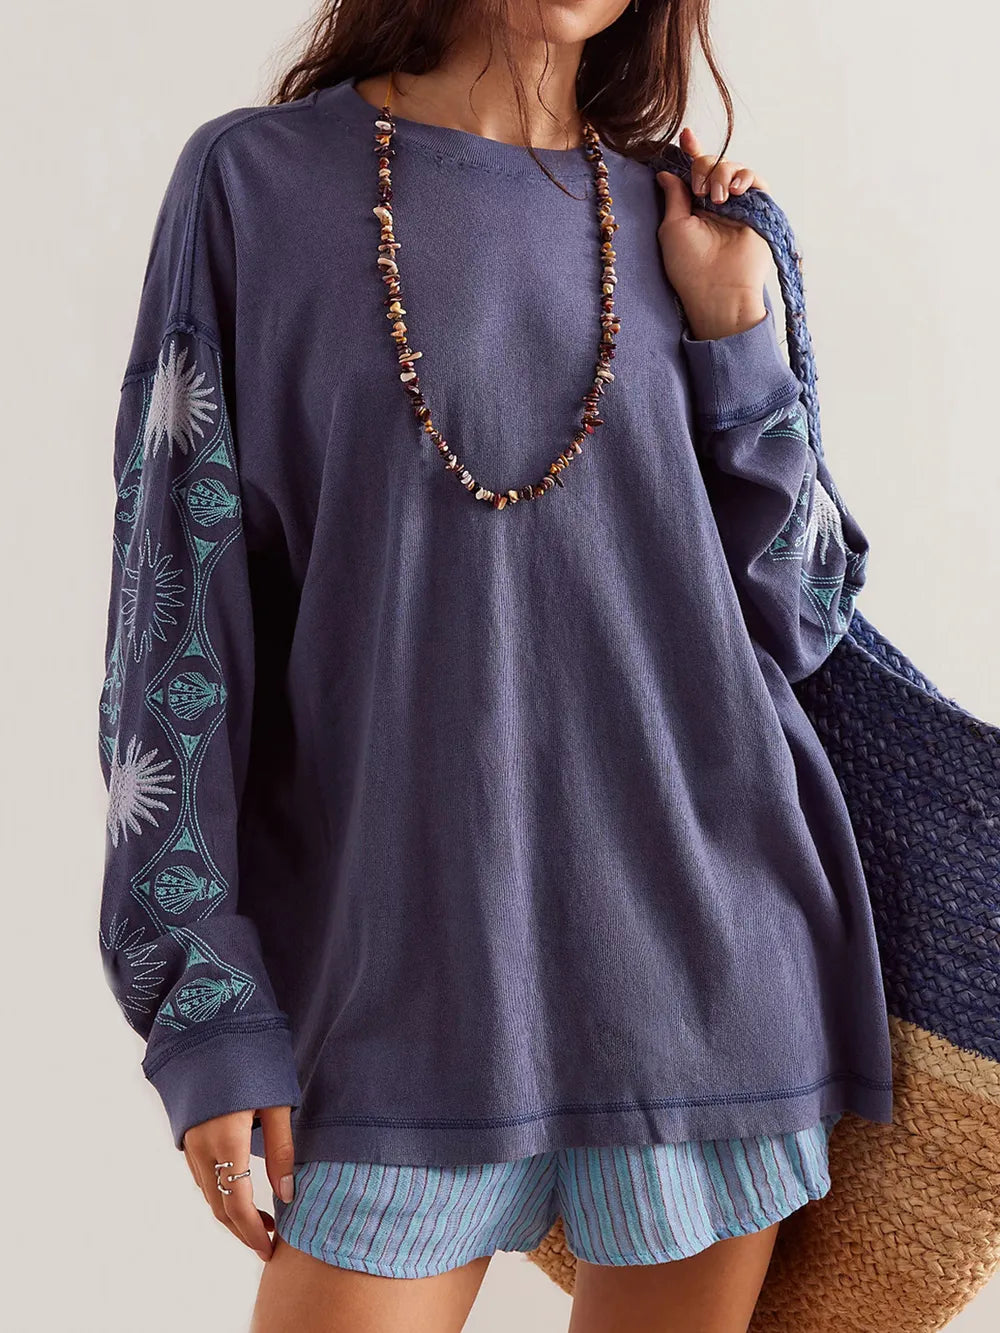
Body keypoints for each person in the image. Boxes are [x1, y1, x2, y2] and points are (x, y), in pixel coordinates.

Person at [96, 1, 893, 1329]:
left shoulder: (698, 223)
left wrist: (739, 331)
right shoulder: (255, 189)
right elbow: (175, 626)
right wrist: (203, 997)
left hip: (711, 987)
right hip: (394, 993)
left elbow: (805, 617)